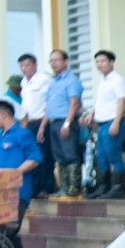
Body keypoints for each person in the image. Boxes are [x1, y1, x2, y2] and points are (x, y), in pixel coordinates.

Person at [0, 101, 42, 248]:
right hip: (1, 193)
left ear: (3, 114)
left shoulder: (22, 134)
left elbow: (34, 158)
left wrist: (15, 173)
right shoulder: (0, 136)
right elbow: (1, 162)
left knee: (9, 229)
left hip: (18, 192)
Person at [80, 50, 125, 200]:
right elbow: (101, 102)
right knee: (101, 156)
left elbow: (123, 101)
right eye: (97, 61)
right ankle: (102, 186)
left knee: (113, 155)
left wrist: (116, 121)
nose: (99, 64)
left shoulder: (117, 80)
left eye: (103, 61)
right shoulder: (103, 80)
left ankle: (118, 187)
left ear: (111, 62)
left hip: (112, 122)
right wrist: (91, 113)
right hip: (101, 123)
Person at [39, 50, 84, 198]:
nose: (53, 63)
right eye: (51, 61)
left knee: (70, 154)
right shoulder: (53, 81)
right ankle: (64, 187)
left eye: (57, 60)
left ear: (65, 61)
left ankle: (74, 188)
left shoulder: (71, 80)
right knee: (60, 156)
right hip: (52, 122)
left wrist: (67, 124)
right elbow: (49, 106)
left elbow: (74, 103)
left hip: (65, 121)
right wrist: (42, 127)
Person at [19, 53, 53, 197]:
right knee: (32, 157)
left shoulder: (44, 79)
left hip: (41, 122)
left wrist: (43, 126)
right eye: (21, 66)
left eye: (27, 65)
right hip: (29, 124)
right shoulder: (23, 83)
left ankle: (46, 188)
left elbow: (49, 104)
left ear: (35, 65)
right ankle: (35, 187)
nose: (24, 69)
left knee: (44, 156)